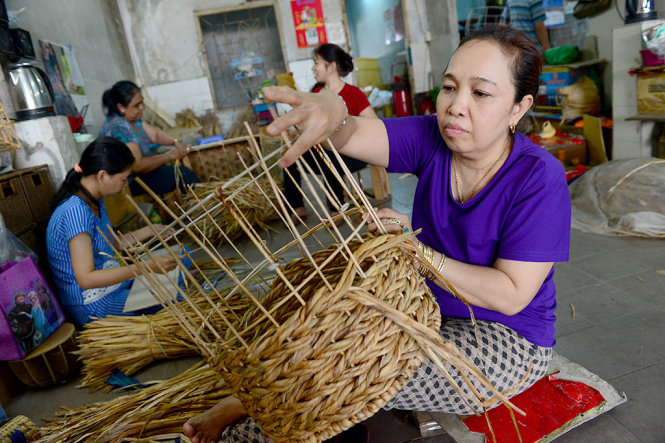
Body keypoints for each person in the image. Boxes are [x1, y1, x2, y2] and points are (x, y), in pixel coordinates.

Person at [183, 24, 571, 442]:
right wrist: (333, 113)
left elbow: (510, 294)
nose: (456, 106)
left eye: (480, 93)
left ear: (518, 107)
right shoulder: (433, 138)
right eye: (448, 87)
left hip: (505, 338)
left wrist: (415, 250)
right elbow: (354, 132)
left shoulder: (538, 177)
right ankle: (274, 406)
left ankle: (243, 428)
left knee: (348, 373)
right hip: (423, 310)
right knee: (325, 334)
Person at [46, 136, 183, 328]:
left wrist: (153, 230)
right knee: (177, 294)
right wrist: (144, 267)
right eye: (123, 179)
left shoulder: (95, 200)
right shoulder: (75, 211)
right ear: (102, 176)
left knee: (181, 258)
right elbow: (86, 279)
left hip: (111, 288)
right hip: (93, 306)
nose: (125, 185)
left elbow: (110, 244)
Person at [283, 43, 378, 222]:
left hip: (354, 153)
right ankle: (297, 207)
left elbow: (373, 123)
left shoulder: (353, 93)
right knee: (291, 158)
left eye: (317, 62)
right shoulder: (317, 93)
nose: (313, 67)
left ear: (331, 66)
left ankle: (337, 208)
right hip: (326, 151)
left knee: (330, 154)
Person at [99, 80, 200, 196]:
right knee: (183, 175)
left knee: (178, 173)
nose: (142, 107)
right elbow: (138, 166)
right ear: (121, 107)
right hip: (129, 181)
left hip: (141, 174)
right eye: (137, 105)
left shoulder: (133, 120)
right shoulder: (119, 127)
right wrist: (169, 155)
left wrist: (175, 142)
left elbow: (155, 135)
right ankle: (203, 206)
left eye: (142, 103)